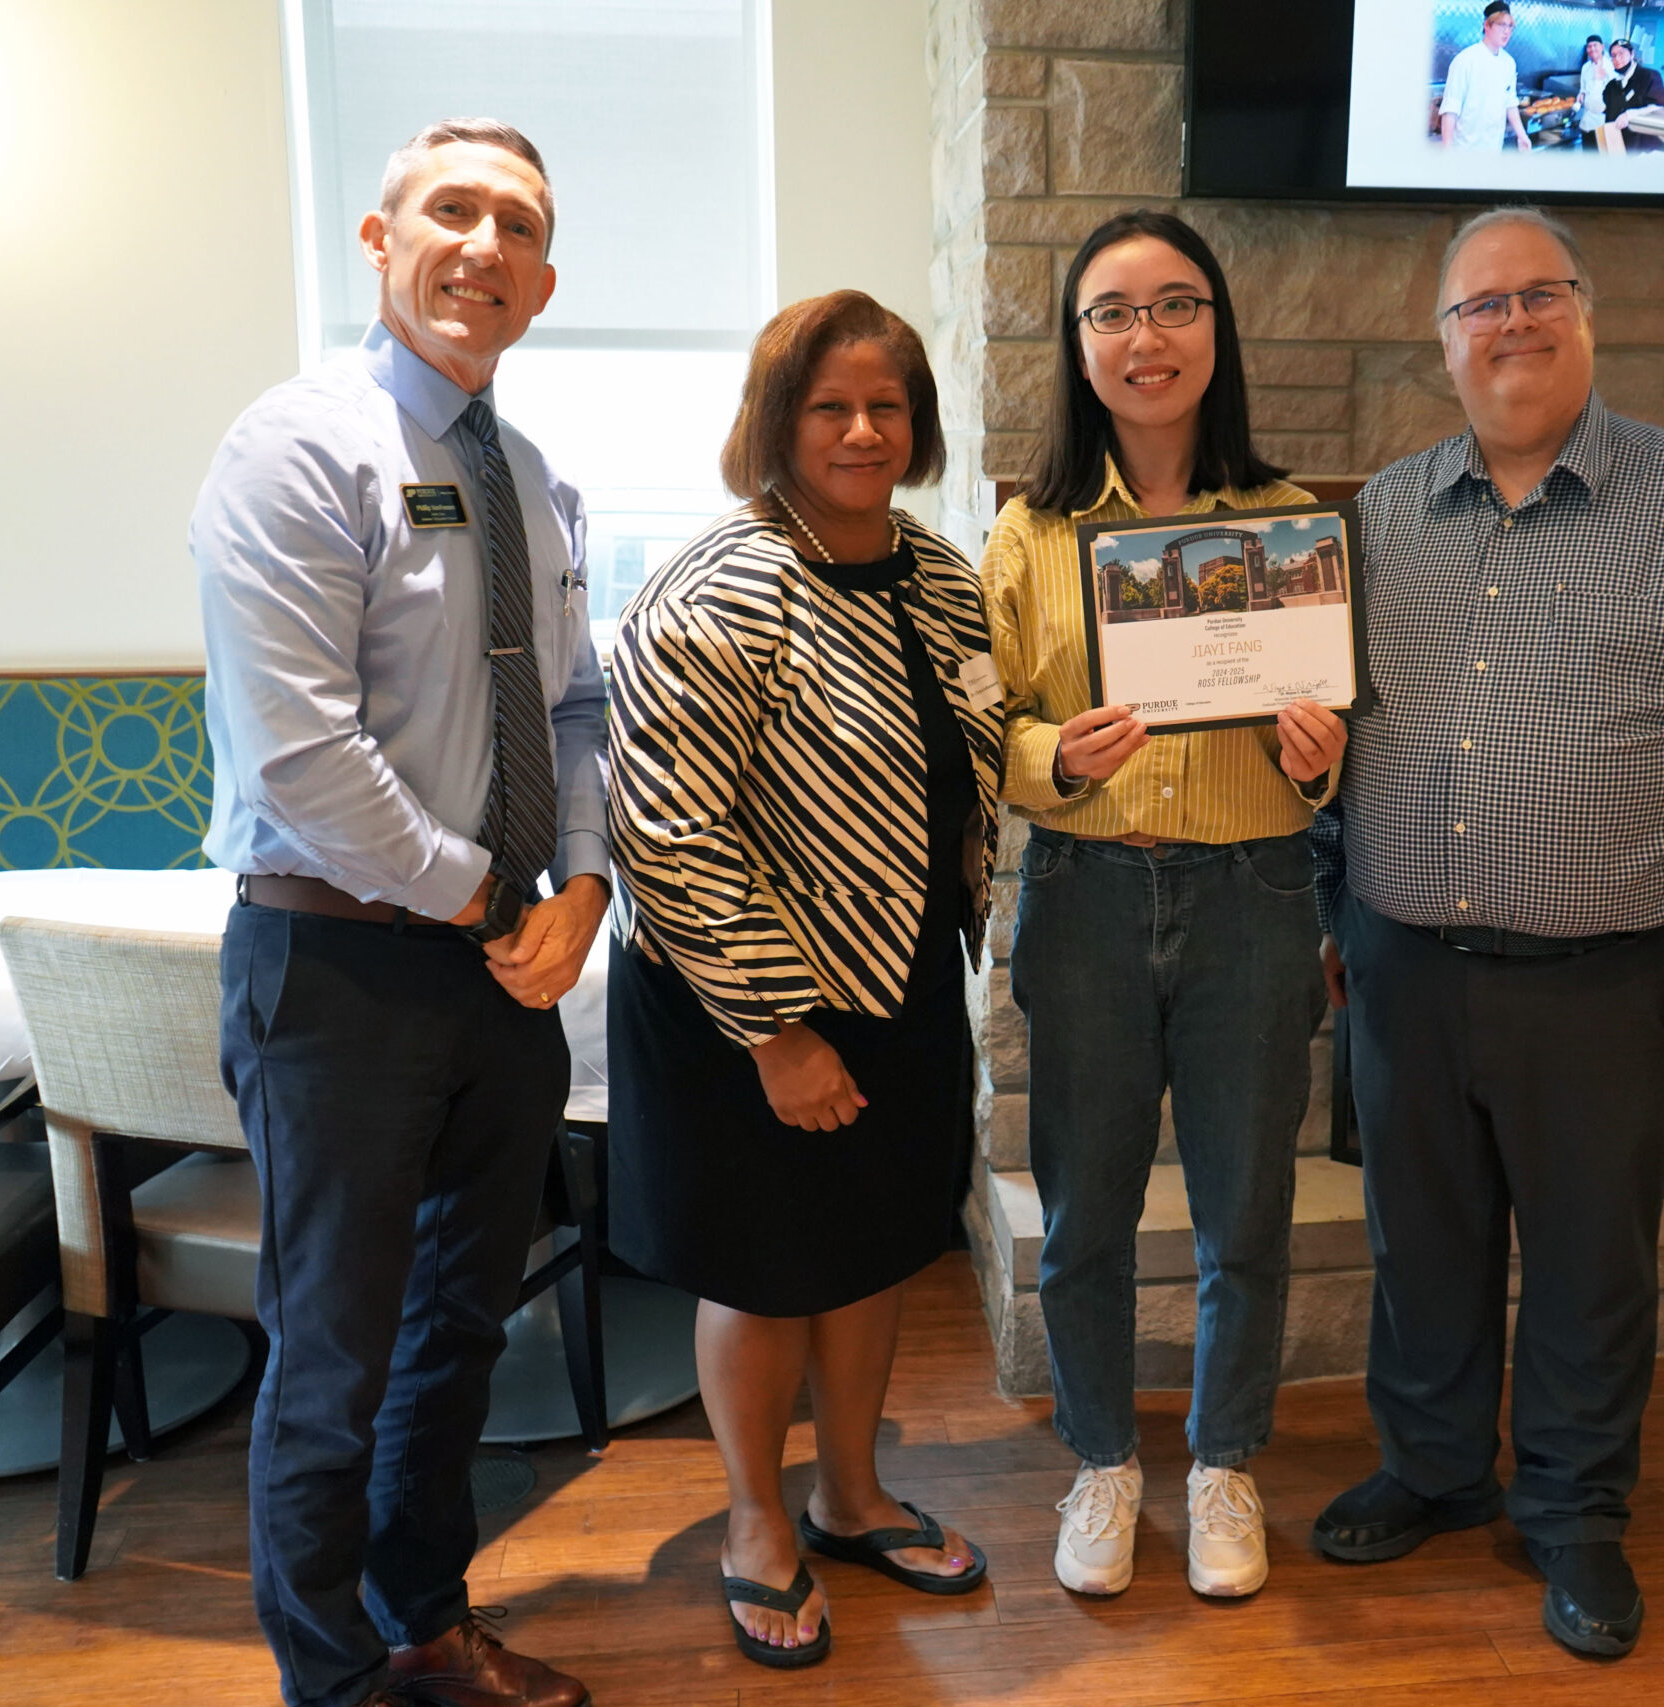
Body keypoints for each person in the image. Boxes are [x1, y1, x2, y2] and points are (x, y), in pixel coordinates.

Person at [1307, 208, 1664, 1661]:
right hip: (1405, 962)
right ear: (1443, 342)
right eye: (1481, 305)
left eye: (1540, 296)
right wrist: (1331, 902)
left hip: (1617, 975)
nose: (1512, 323)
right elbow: (1330, 736)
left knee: (1594, 1254)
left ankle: (1574, 1507)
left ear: (1588, 318)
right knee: (1422, 1242)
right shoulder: (1375, 516)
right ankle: (1430, 1465)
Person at [196, 118, 604, 1707]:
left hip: (503, 979)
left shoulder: (534, 477)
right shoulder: (299, 448)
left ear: (544, 283)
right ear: (381, 241)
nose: (484, 245)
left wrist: (579, 886)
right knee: (333, 1363)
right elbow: (301, 754)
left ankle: (424, 1622)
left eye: (518, 226)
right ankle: (330, 1677)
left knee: (459, 1335)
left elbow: (577, 708)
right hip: (339, 972)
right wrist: (496, 892)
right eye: (454, 210)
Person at [604, 290, 999, 1669]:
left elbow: (985, 758)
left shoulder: (943, 576)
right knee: (767, 1266)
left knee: (878, 1241)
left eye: (886, 403)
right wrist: (776, 1028)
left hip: (899, 978)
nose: (861, 428)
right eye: (829, 404)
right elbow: (666, 828)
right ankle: (757, 1517)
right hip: (743, 1001)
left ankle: (852, 1491)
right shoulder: (712, 590)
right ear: (776, 421)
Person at [984, 209, 1347, 1602]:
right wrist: (1046, 755)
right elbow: (992, 725)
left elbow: (1332, 733)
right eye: (1114, 313)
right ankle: (1100, 1457)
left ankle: (1221, 1458)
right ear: (1078, 347)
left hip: (1255, 892)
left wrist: (1324, 760)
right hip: (1084, 888)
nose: (1147, 338)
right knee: (1082, 1209)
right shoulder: (1028, 534)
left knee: (1244, 1206)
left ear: (1217, 332)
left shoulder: (1290, 524)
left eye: (1176, 306)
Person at [1439, 1, 1532, 152]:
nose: (1507, 32)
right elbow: (1451, 107)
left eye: (1510, 26)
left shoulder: (1509, 63)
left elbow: (1510, 103)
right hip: (1465, 150)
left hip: (1493, 149)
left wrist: (1522, 136)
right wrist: (1447, 150)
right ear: (1487, 25)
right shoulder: (1466, 60)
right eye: (1502, 25)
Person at [1599, 38, 1664, 153]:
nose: (1617, 59)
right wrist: (1598, 81)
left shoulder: (1649, 76)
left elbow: (1657, 108)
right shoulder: (1612, 85)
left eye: (1621, 53)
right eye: (1613, 55)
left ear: (1632, 54)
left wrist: (1629, 115)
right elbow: (1603, 108)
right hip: (1619, 144)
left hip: (1644, 145)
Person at [1575, 34, 1612, 151]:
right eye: (1589, 47)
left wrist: (1603, 77)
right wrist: (1581, 94)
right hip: (1587, 118)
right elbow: (1583, 88)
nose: (1592, 49)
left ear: (1602, 47)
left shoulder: (1610, 66)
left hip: (1603, 118)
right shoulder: (1585, 67)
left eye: (1595, 45)